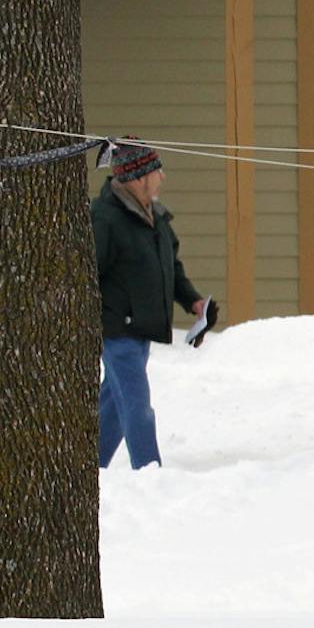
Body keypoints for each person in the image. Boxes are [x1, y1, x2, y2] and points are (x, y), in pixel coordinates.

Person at [90, 138, 206, 470]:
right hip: (117, 328)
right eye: (158, 170)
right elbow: (89, 274)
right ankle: (148, 471)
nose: (163, 178)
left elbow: (171, 267)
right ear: (139, 176)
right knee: (136, 404)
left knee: (115, 399)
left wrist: (193, 302)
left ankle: (89, 469)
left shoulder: (155, 217)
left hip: (141, 328)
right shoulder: (105, 218)